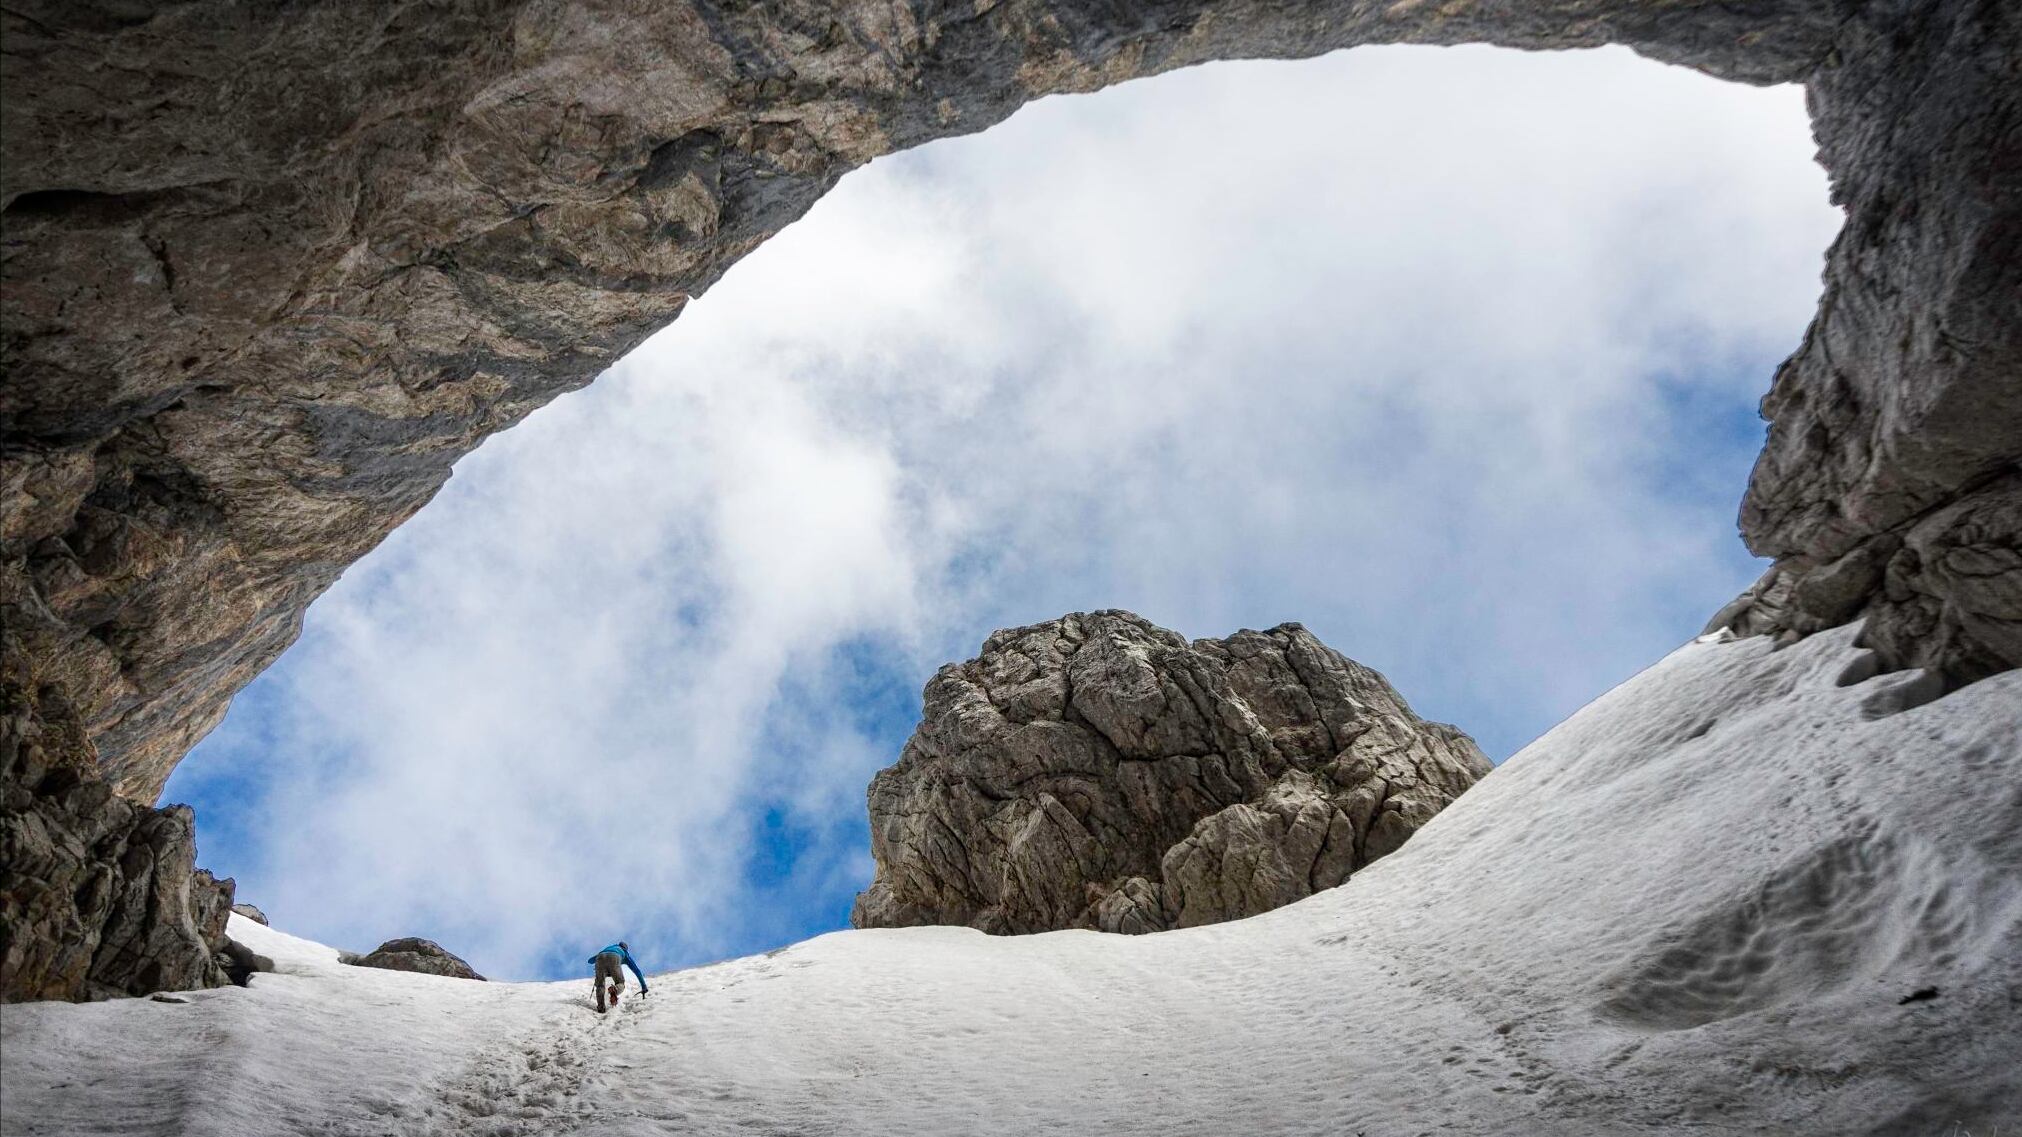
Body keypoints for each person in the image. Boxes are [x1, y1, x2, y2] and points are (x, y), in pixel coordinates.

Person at [589, 941, 649, 1013]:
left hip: (600, 957)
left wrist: (599, 964)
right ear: (625, 949)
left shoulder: (609, 948)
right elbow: (637, 970)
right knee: (620, 982)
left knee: (600, 985)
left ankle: (601, 1008)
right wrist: (643, 986)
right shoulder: (625, 954)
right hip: (615, 957)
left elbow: (590, 961)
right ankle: (615, 989)